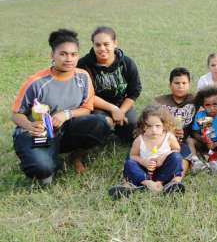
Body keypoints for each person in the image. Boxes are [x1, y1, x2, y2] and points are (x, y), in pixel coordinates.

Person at [12, 29, 112, 183]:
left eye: (73, 54)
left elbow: (87, 108)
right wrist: (30, 125)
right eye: (63, 54)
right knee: (44, 172)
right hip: (38, 134)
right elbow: (16, 114)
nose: (69, 59)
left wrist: (65, 115)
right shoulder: (36, 82)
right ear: (52, 55)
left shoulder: (83, 77)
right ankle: (41, 159)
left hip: (66, 127)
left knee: (101, 123)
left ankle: (73, 155)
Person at [78, 26, 142, 143]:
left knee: (133, 128)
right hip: (95, 106)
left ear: (115, 43)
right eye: (98, 45)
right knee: (101, 124)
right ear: (93, 45)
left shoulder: (127, 63)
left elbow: (134, 91)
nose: (102, 48)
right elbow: (86, 94)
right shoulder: (83, 64)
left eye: (106, 44)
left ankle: (117, 129)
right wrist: (113, 109)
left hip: (121, 104)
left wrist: (121, 111)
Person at [109, 105, 184, 198]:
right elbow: (132, 156)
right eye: (149, 126)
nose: (153, 130)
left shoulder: (168, 137)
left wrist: (163, 157)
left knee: (176, 157)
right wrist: (143, 161)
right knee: (129, 164)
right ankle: (146, 183)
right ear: (143, 126)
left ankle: (163, 183)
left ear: (164, 125)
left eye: (157, 126)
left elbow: (176, 150)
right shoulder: (140, 140)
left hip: (163, 170)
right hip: (144, 171)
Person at [154, 67, 197, 173]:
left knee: (185, 157)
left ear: (189, 84)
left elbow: (205, 120)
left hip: (185, 142)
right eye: (177, 83)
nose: (180, 86)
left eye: (184, 83)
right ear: (170, 85)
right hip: (163, 139)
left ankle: (177, 180)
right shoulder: (160, 102)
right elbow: (150, 122)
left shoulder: (196, 101)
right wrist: (169, 131)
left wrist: (206, 133)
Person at [187, 86, 217, 173]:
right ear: (203, 105)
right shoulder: (200, 116)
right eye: (208, 105)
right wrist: (201, 138)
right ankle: (195, 160)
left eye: (215, 104)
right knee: (189, 140)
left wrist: (215, 144)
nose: (212, 108)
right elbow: (194, 133)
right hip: (204, 144)